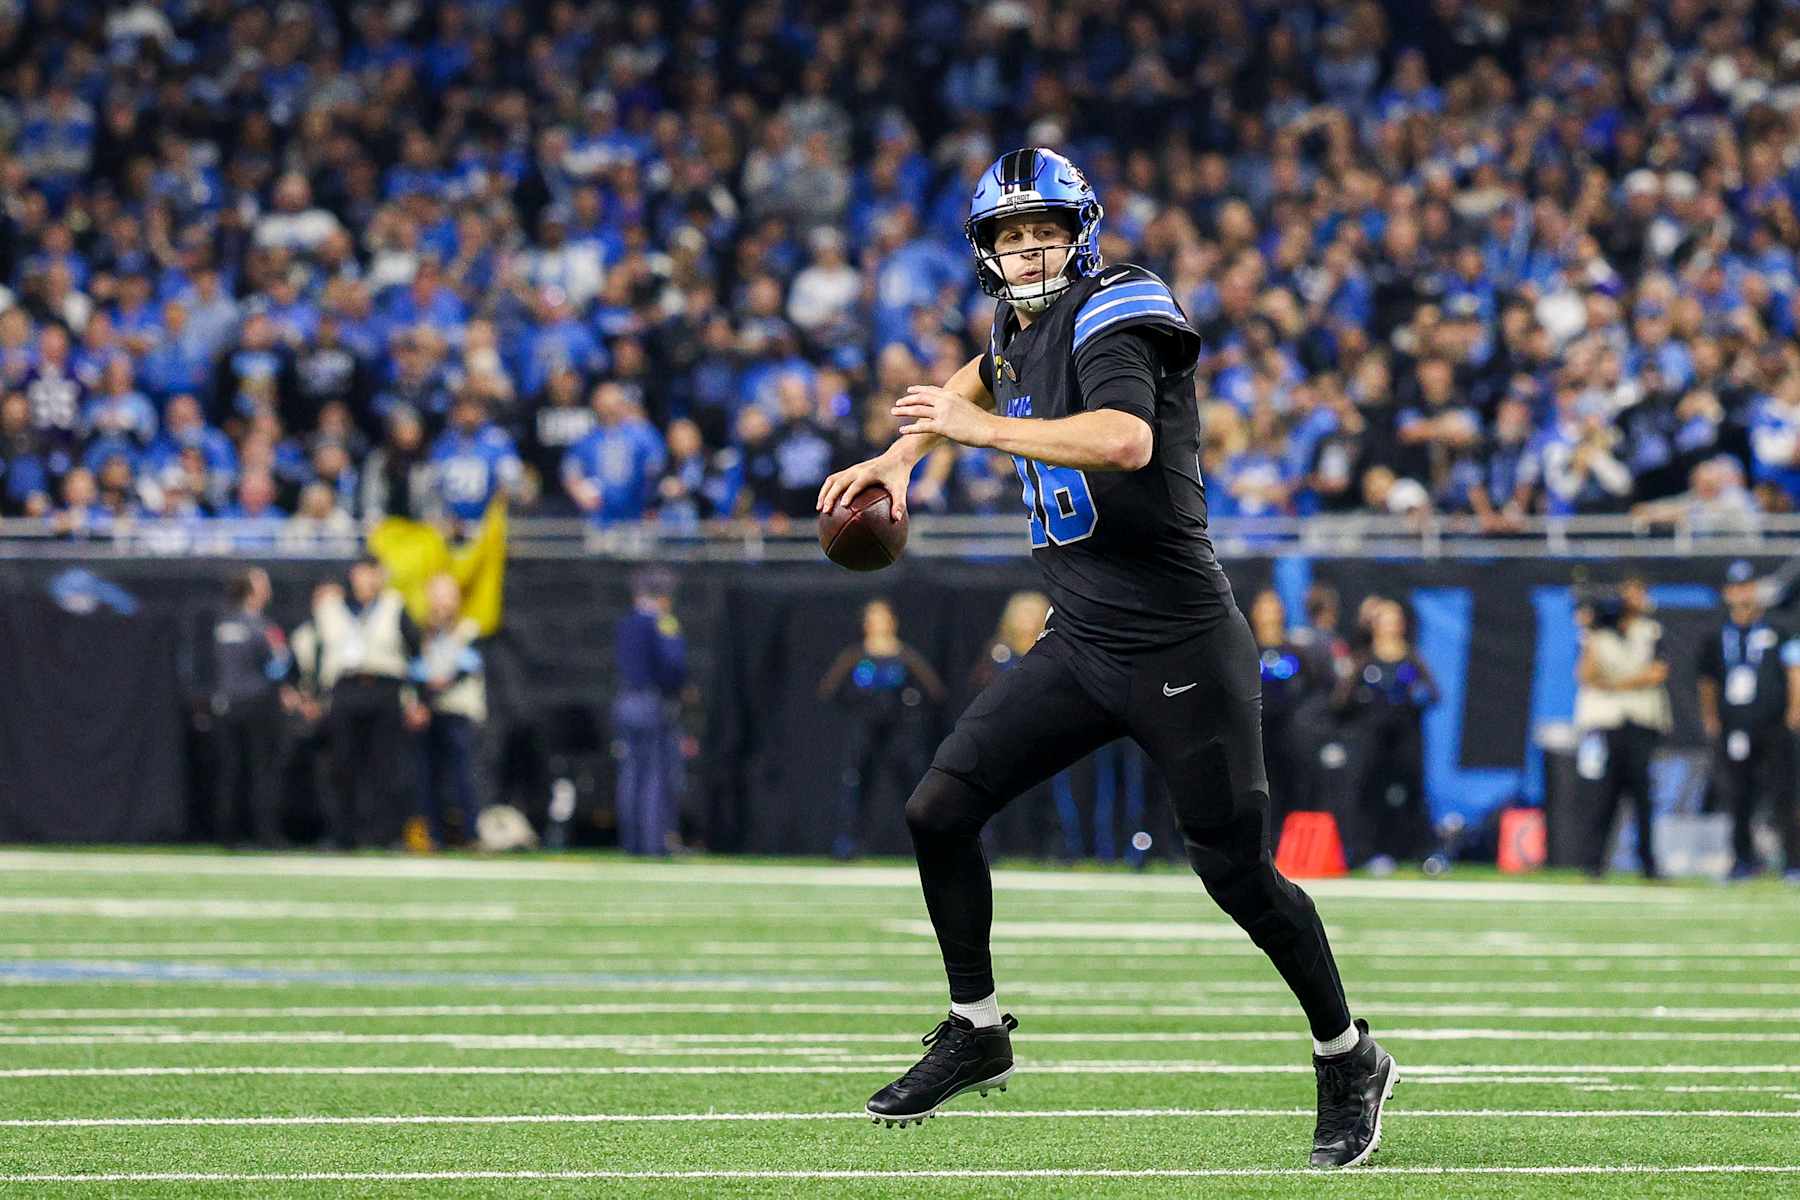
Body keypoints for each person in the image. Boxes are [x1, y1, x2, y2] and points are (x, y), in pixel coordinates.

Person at [817, 147, 1394, 1167]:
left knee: (1237, 877)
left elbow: (1125, 439)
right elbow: (985, 369)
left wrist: (975, 429)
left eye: (1044, 230)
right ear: (987, 251)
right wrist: (901, 455)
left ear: (1079, 235)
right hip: (1083, 642)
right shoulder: (1016, 328)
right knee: (938, 810)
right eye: (1009, 234)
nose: (1029, 249)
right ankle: (978, 1029)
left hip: (1181, 642)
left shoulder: (1117, 304)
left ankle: (1346, 1053)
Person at [817, 598, 947, 860]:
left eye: (883, 617)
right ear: (865, 624)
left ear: (893, 622)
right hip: (864, 729)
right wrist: (855, 704)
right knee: (855, 783)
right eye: (873, 618)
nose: (878, 624)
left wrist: (910, 705)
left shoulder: (904, 656)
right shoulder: (855, 656)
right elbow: (828, 689)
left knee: (911, 784)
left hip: (898, 731)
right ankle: (848, 843)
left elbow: (934, 690)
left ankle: (923, 842)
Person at [1696, 561, 1800, 881]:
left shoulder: (1778, 627)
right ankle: (1743, 860)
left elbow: (1793, 670)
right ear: (1727, 593)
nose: (1742, 594)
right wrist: (1711, 718)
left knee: (1786, 793)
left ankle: (1793, 862)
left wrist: (1795, 710)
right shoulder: (1716, 634)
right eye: (1736, 588)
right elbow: (1707, 681)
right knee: (1738, 795)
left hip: (1774, 723)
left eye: (1747, 586)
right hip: (1735, 725)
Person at [311, 556, 421, 849]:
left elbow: (415, 653)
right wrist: (315, 695)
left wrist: (416, 699)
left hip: (384, 688)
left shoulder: (394, 606)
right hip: (346, 689)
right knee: (342, 765)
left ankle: (385, 835)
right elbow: (318, 654)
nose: (368, 580)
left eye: (373, 574)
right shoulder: (331, 608)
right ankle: (343, 834)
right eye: (363, 574)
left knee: (385, 767)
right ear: (353, 576)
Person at [1574, 575, 1671, 879]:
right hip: (1609, 723)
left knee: (1642, 796)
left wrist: (1614, 684)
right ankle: (1593, 863)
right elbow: (1587, 675)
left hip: (1641, 720)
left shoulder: (1651, 632)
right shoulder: (1599, 635)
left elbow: (1656, 674)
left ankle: (1648, 864)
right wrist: (1591, 629)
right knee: (1604, 796)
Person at [1334, 598, 1438, 869]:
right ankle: (1367, 852)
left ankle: (1421, 852)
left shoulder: (1412, 657)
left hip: (1405, 735)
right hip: (1373, 736)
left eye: (1395, 619)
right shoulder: (1364, 658)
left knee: (1411, 792)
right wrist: (1363, 701)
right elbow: (1341, 700)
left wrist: (1414, 700)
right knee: (1370, 791)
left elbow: (1434, 694)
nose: (1390, 625)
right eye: (1385, 619)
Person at [207, 568, 292, 847]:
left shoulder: (221, 624)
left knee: (230, 771)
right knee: (261, 770)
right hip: (257, 704)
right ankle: (265, 833)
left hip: (227, 704)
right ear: (253, 591)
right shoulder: (263, 627)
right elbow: (278, 668)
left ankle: (227, 833)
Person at [407, 574, 487, 849]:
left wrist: (431, 691)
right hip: (429, 713)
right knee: (428, 776)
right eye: (438, 594)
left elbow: (463, 669)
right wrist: (420, 701)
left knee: (464, 775)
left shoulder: (468, 629)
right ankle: (434, 835)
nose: (442, 601)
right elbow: (415, 669)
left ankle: (471, 834)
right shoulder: (422, 631)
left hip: (458, 711)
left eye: (448, 594)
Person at [612, 567, 687, 856]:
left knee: (630, 773)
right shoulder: (663, 623)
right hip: (652, 702)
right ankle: (654, 842)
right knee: (656, 774)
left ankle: (631, 842)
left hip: (626, 700)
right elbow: (673, 666)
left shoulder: (626, 623)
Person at [1250, 588, 1331, 835]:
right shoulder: (1246, 647)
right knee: (1257, 787)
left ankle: (1289, 840)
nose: (1270, 614)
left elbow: (1317, 685)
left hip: (1289, 729)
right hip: (1255, 730)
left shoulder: (1295, 650)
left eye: (1274, 607)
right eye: (1264, 607)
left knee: (1290, 782)